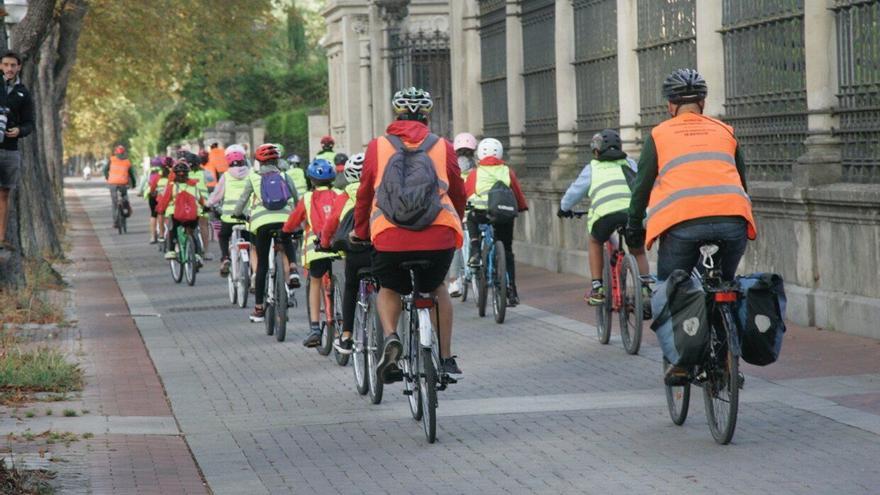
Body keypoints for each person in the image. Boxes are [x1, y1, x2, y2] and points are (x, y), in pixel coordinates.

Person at [626, 68, 756, 382]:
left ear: (670, 105)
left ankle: (680, 361)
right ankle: (726, 362)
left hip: (682, 225)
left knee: (670, 287)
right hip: (733, 222)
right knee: (724, 285)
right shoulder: (725, 130)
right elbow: (741, 179)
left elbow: (642, 186)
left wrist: (633, 226)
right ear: (703, 102)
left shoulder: (659, 135)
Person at [353, 86, 467, 380]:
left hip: (390, 236)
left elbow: (364, 193)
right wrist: (457, 222)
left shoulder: (378, 146)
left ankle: (391, 336)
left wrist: (361, 231)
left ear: (396, 114)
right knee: (438, 286)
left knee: (390, 287)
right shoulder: (443, 145)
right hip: (438, 234)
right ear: (428, 116)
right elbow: (457, 191)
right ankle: (445, 357)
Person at [558, 129, 652, 315]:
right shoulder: (629, 163)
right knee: (637, 249)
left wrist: (564, 208)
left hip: (604, 216)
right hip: (632, 214)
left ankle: (597, 288)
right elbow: (642, 183)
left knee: (595, 241)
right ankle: (645, 287)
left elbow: (574, 193)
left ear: (596, 151)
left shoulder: (593, 167)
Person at [233, 143, 299, 323]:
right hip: (284, 219)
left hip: (261, 223)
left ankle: (259, 308)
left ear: (258, 162)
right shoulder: (285, 175)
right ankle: (293, 269)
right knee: (286, 240)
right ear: (277, 160)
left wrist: (237, 214)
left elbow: (241, 202)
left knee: (262, 264)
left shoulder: (253, 178)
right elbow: (297, 199)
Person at [281, 159, 343, 347]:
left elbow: (292, 223)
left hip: (317, 251)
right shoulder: (341, 194)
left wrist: (285, 232)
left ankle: (315, 328)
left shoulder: (307, 198)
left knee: (315, 283)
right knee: (341, 281)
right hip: (339, 249)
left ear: (311, 180)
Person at [464, 137, 528, 306]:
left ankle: (476, 249)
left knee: (470, 217)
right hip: (503, 214)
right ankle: (511, 290)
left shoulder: (475, 173)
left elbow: (466, 195)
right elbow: (517, 193)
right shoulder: (507, 171)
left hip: (481, 214)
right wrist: (521, 207)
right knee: (507, 250)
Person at [319, 152, 367, 354]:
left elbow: (331, 224)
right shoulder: (380, 191)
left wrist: (323, 243)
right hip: (378, 248)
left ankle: (347, 335)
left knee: (351, 286)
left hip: (355, 249)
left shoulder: (344, 196)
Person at [0, 51, 34, 251]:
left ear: (19, 67)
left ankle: (1, 238)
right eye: (6, 64)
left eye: (13, 65)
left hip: (10, 150)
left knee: (4, 193)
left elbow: (30, 123)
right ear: (1, 66)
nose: (9, 69)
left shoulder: (23, 93)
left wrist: (20, 130)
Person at [207, 145, 251, 277]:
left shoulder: (226, 176)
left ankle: (225, 257)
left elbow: (216, 196)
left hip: (228, 218)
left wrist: (208, 204)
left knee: (223, 236)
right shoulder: (252, 174)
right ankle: (252, 269)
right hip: (247, 218)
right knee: (250, 242)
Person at [446, 132, 478, 297]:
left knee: (456, 245)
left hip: (458, 210)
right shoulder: (478, 167)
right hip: (475, 209)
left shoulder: (452, 166)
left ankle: (453, 281)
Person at [157, 160, 207, 261]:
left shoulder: (172, 186)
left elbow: (165, 200)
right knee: (193, 233)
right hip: (192, 215)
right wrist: (206, 209)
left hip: (176, 215)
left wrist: (161, 211)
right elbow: (201, 200)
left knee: (173, 229)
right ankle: (197, 254)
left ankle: (171, 250)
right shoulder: (194, 186)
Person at [104, 145, 137, 229]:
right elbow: (132, 175)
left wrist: (108, 178)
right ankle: (126, 211)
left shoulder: (111, 159)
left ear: (116, 152)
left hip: (112, 184)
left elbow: (105, 170)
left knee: (114, 203)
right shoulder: (127, 162)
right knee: (124, 198)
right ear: (124, 153)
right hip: (123, 184)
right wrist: (134, 184)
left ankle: (115, 222)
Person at [143, 156, 165, 244]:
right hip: (161, 194)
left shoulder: (149, 171)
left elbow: (143, 182)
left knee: (153, 215)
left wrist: (141, 192)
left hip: (152, 193)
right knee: (161, 214)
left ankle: (152, 236)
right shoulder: (163, 171)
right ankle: (161, 234)